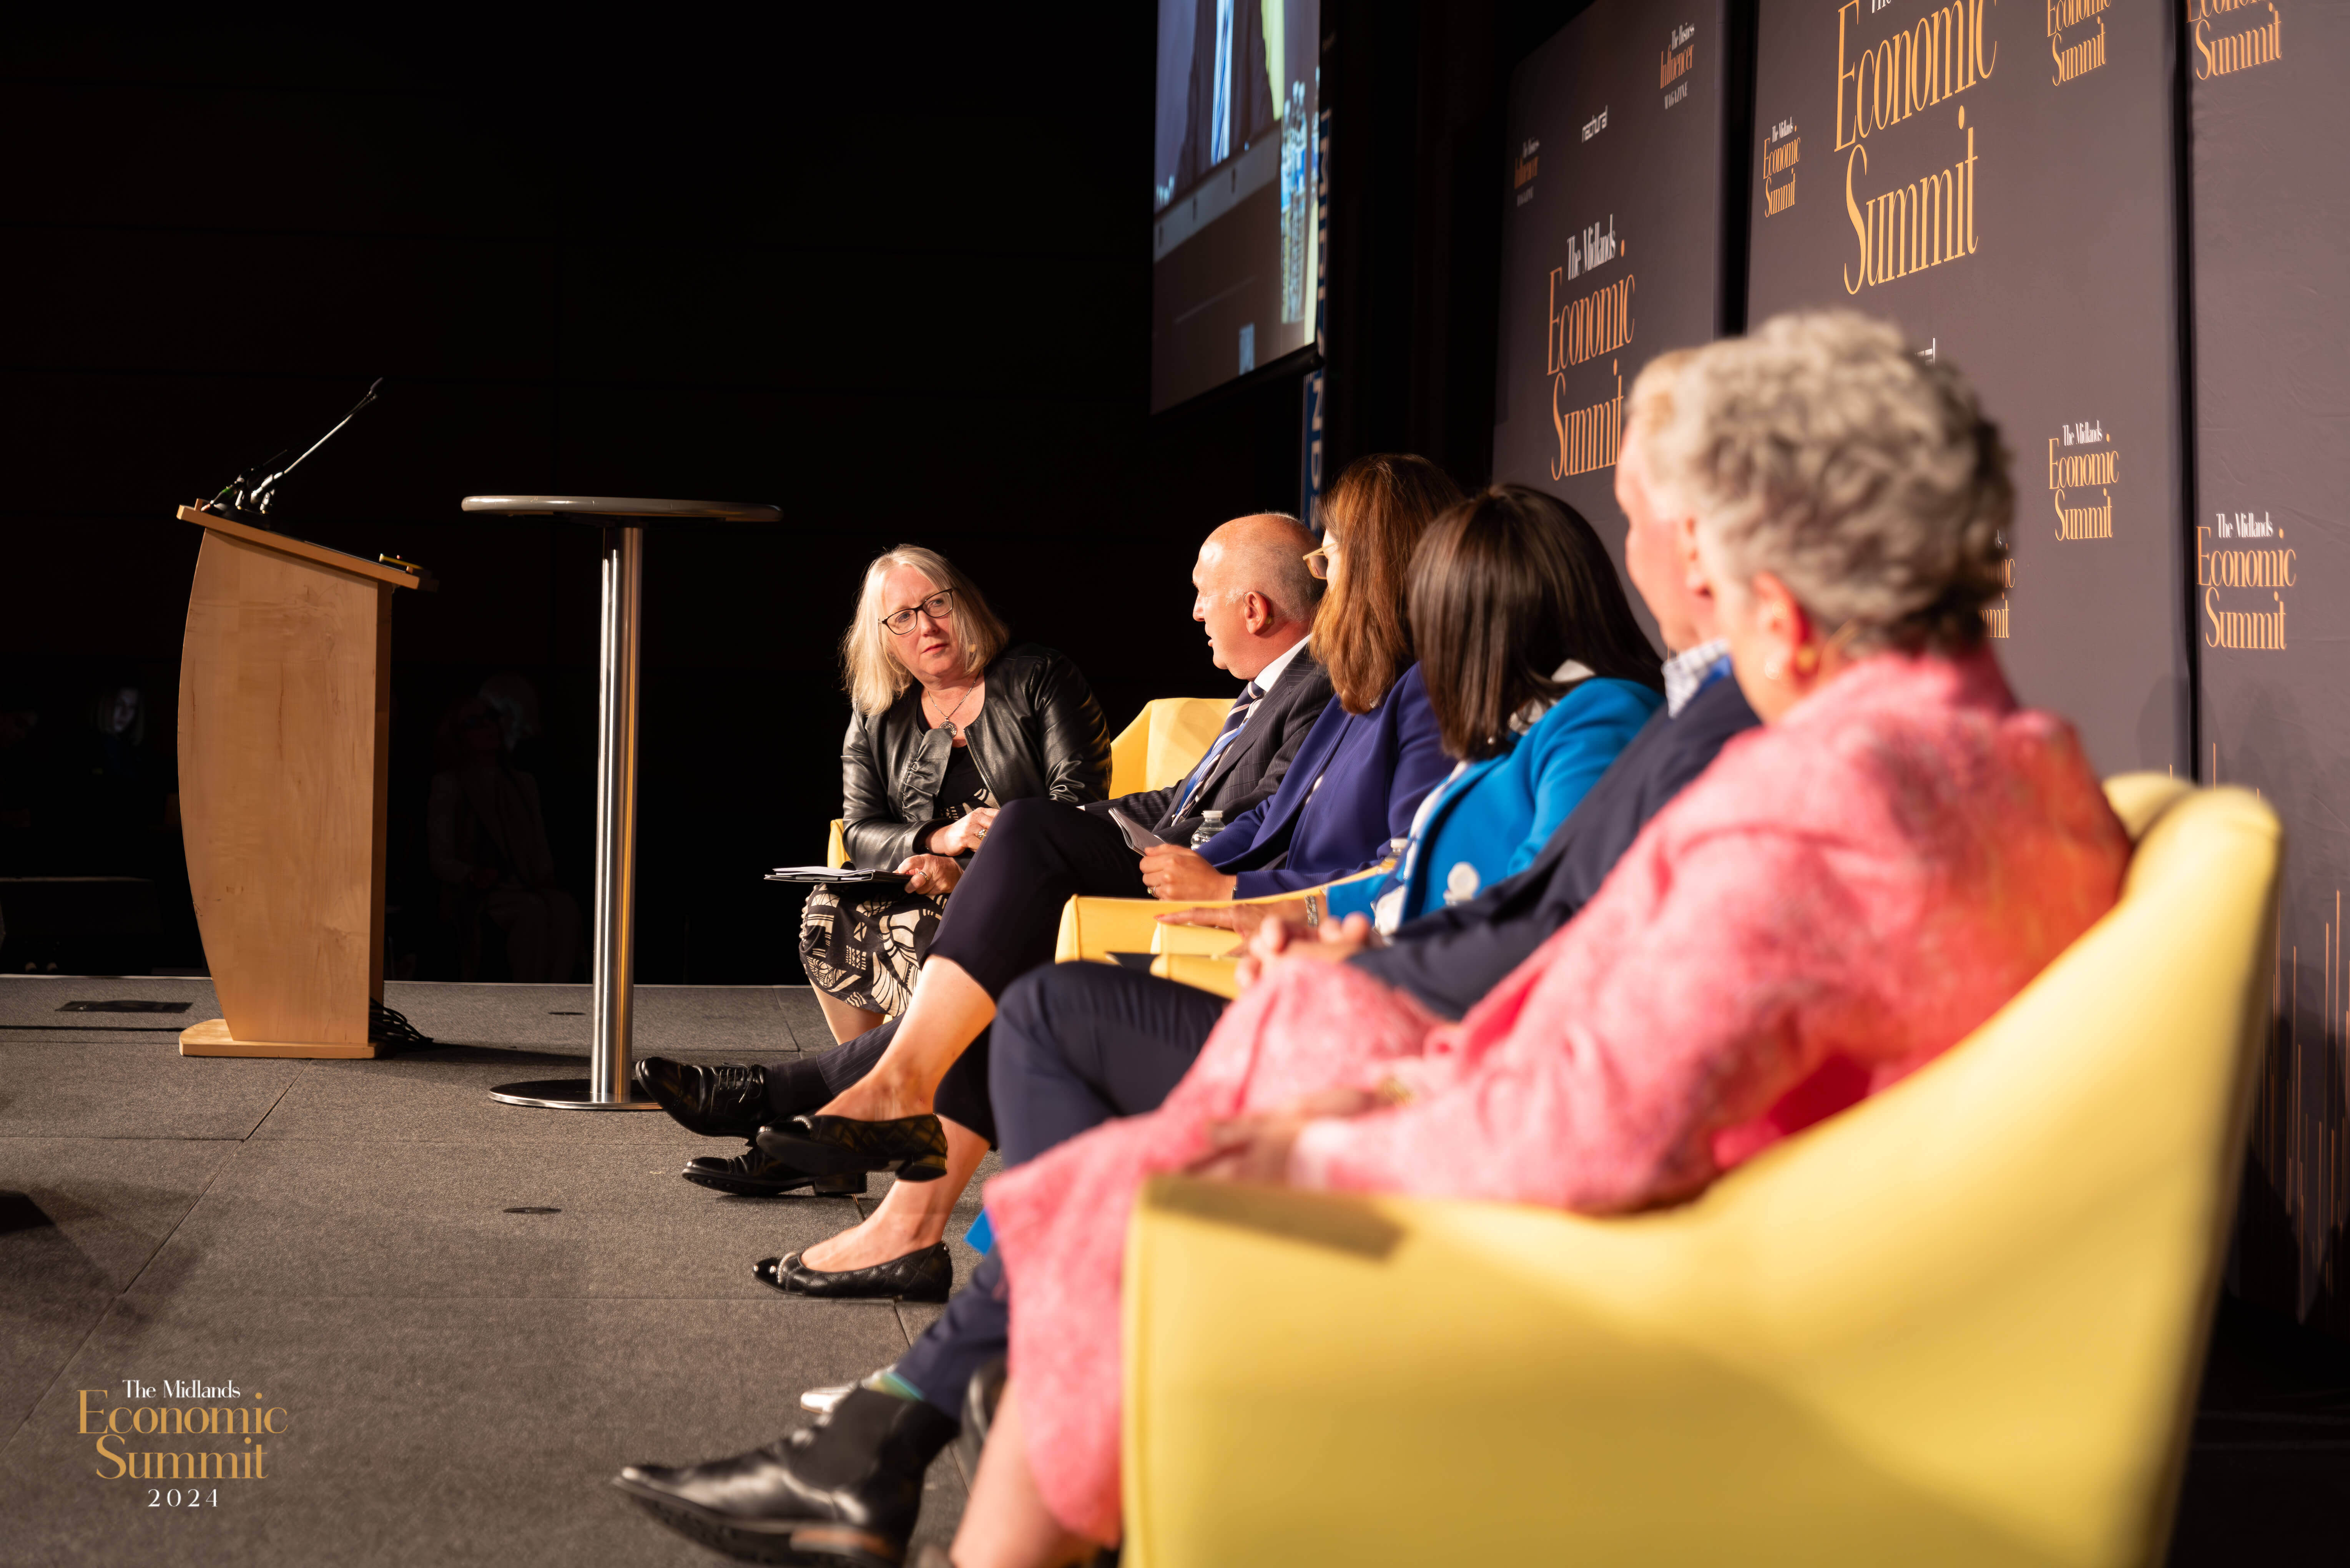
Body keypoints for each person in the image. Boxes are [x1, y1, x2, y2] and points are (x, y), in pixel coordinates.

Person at [957, 311, 2132, 1561]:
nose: (1671, 593)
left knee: (1134, 1190)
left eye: (1701, 574)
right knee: (1151, 1169)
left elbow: (1593, 1128)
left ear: (1778, 615)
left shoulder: (1817, 810)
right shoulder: (2020, 756)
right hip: (1722, 1247)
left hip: (1640, 1310)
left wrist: (1314, 1149)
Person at [612, 392, 1764, 1563]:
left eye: (1356, 565)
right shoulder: (1577, 718)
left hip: (1427, 1060)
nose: (1356, 592)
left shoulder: (1587, 718)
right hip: (1381, 1007)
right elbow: (1481, 888)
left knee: (1049, 1013)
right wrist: (1332, 932)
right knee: (1041, 992)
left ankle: (958, 1369)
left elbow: (1529, 919)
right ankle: (951, 1377)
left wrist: (1322, 933)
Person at [632, 457, 1458, 1306]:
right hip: (1211, 892)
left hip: (1272, 937)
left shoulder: (1379, 693)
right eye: (901, 618)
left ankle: (853, 1124)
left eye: (1334, 559)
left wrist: (1221, 893)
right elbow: (1239, 811)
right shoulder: (1360, 691)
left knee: (1023, 880)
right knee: (983, 922)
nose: (1320, 580)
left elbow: (1366, 866)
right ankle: (887, 1182)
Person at [1162, 484, 1662, 942]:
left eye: (1436, 607)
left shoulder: (1597, 716)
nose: (1427, 632)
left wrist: (1362, 964)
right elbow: (1398, 884)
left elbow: (1534, 917)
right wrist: (1285, 914)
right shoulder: (1510, 727)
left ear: (1490, 615)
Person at [796, 546, 1113, 1046]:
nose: (926, 626)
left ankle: (926, 1085)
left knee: (919, 925)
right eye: (902, 617)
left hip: (1026, 888)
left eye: (936, 605)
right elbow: (858, 831)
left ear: (964, 605)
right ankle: (863, 1074)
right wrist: (941, 840)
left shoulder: (1040, 677)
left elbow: (1075, 807)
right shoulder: (876, 711)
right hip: (925, 880)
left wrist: (966, 872)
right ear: (883, 638)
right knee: (826, 908)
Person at [428, 696, 581, 983]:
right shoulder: (450, 785)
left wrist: (543, 877)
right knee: (531, 914)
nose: (488, 727)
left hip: (523, 883)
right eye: (474, 723)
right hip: (477, 891)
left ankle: (557, 993)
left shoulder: (522, 783)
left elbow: (538, 843)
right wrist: (471, 874)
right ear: (459, 735)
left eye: (491, 717)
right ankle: (527, 1000)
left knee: (565, 910)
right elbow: (440, 856)